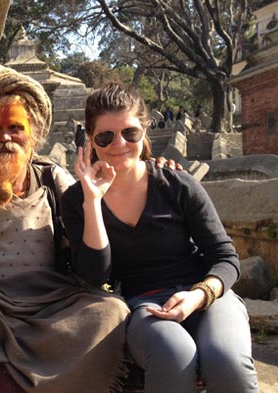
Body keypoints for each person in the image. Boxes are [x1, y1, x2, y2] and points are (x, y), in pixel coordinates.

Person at [0, 65, 129, 393]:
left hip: (48, 305)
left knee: (112, 310)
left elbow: (91, 257)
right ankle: (11, 346)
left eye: (15, 128)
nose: (5, 137)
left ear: (32, 136)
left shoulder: (53, 180)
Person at [61, 83, 258, 393]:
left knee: (226, 360)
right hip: (145, 305)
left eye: (130, 133)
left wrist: (198, 295)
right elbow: (95, 276)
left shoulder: (177, 184)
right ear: (90, 140)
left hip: (206, 294)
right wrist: (93, 201)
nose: (119, 144)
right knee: (174, 355)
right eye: (105, 136)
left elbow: (225, 258)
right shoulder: (76, 200)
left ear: (145, 131)